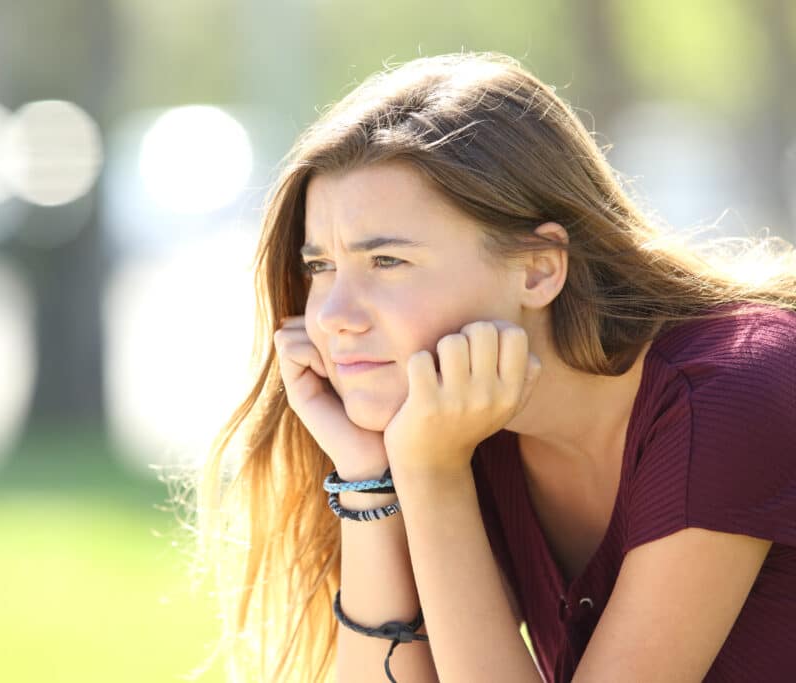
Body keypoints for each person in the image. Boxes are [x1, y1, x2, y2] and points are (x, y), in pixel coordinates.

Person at [194, 52, 796, 682]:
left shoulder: (733, 391)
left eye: (387, 262)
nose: (334, 316)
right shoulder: (456, 422)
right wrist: (369, 474)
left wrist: (432, 474)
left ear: (538, 267)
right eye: (321, 267)